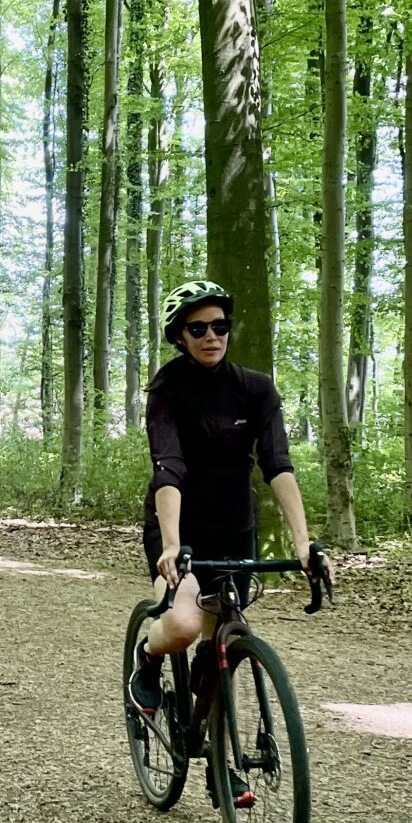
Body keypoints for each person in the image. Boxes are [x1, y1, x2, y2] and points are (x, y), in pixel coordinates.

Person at [127, 280, 315, 771]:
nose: (212, 336)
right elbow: (168, 467)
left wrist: (303, 541)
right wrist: (171, 546)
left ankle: (220, 763)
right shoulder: (168, 389)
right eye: (198, 328)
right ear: (179, 336)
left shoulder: (256, 389)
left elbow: (278, 465)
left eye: (220, 326)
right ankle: (147, 657)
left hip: (235, 527)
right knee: (187, 624)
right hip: (178, 526)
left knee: (222, 645)